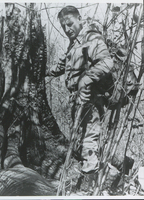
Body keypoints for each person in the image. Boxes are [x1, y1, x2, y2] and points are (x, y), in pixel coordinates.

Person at [46, 6, 114, 177]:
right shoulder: (74, 44)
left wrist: (86, 79)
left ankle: (90, 178)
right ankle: (89, 173)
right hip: (78, 99)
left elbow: (107, 63)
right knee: (79, 139)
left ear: (80, 19)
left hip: (91, 99)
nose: (67, 29)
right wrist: (43, 71)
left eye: (70, 24)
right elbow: (61, 65)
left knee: (89, 138)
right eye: (64, 27)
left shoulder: (91, 38)